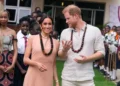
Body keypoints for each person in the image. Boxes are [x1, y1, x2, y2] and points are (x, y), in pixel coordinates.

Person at [58, 5, 105, 86]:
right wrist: (64, 50)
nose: (66, 21)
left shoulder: (94, 30)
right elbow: (61, 56)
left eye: (68, 18)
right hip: (68, 78)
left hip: (87, 78)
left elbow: (101, 52)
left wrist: (87, 59)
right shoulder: (65, 32)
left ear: (76, 16)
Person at [23, 14, 60, 86]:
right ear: (40, 25)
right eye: (45, 24)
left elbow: (53, 64)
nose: (47, 26)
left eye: (50, 24)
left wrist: (57, 81)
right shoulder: (32, 38)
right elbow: (25, 59)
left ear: (52, 26)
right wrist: (37, 64)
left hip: (47, 77)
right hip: (33, 75)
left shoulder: (56, 42)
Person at [0, 10, 17, 86]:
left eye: (5, 17)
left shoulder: (13, 32)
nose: (3, 19)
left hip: (10, 64)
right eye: (1, 17)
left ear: (8, 18)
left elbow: (15, 50)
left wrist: (12, 65)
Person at [14, 16, 30, 86]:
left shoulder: (31, 37)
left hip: (29, 61)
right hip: (18, 62)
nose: (25, 28)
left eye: (27, 26)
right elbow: (14, 54)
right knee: (18, 82)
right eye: (23, 26)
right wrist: (21, 69)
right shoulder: (16, 37)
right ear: (20, 26)